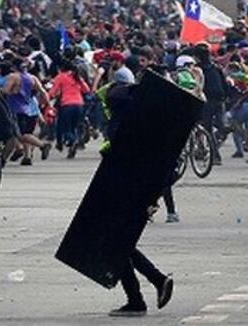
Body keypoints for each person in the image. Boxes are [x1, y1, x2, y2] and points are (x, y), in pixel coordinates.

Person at [101, 69, 174, 317]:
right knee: (120, 242)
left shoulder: (125, 119)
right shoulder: (149, 121)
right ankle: (146, 289)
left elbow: (115, 95)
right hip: (135, 189)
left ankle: (145, 290)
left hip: (128, 189)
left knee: (117, 242)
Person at [1, 61, 52, 165]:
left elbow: (5, 91)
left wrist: (5, 91)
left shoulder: (13, 77)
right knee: (24, 133)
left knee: (19, 135)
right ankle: (14, 157)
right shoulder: (32, 78)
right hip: (29, 109)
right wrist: (46, 105)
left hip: (15, 109)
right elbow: (43, 92)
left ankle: (42, 145)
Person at [49, 60, 91, 159]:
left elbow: (53, 92)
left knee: (65, 128)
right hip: (79, 105)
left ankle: (73, 141)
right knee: (74, 127)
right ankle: (73, 145)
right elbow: (86, 90)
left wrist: (46, 99)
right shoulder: (77, 77)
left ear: (61, 68)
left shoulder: (61, 77)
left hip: (66, 105)